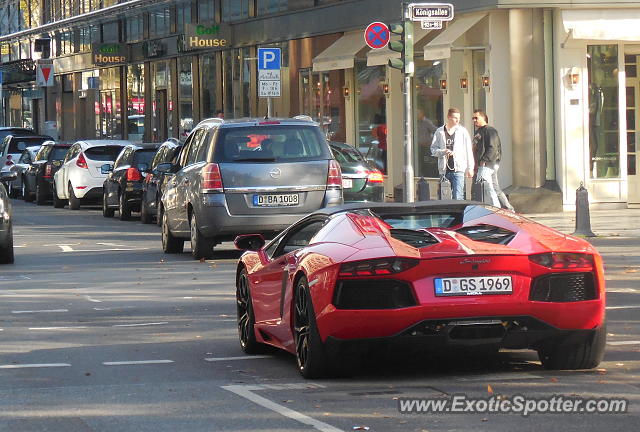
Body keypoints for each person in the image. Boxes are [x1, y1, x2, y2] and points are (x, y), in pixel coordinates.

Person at [471, 109, 515, 211]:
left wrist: (484, 160)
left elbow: (493, 147)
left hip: (488, 164)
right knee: (495, 188)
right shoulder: (478, 132)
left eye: (476, 118)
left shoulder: (490, 130)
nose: (474, 120)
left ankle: (496, 210)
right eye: (473, 118)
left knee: (488, 188)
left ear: (483, 117)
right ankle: (509, 209)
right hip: (482, 164)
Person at [431, 108, 474, 200]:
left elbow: (468, 150)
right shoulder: (439, 131)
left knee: (458, 196)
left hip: (458, 169)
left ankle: (459, 214)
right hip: (444, 170)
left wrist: (470, 168)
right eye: (455, 118)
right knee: (444, 197)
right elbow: (433, 149)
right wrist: (443, 152)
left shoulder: (462, 131)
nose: (457, 120)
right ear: (449, 117)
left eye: (458, 118)